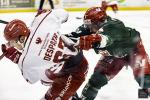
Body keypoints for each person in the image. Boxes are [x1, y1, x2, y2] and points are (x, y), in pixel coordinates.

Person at [1, 9, 101, 100]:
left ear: (21, 39)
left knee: (46, 79)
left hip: (72, 74)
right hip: (78, 61)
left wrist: (16, 57)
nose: (12, 45)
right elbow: (65, 14)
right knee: (47, 75)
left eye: (12, 42)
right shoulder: (42, 21)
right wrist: (47, 13)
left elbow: (31, 79)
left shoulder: (26, 60)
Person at [66, 5, 150, 100]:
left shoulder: (115, 25)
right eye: (86, 24)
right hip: (113, 55)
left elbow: (105, 39)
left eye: (90, 24)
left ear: (101, 22)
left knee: (145, 81)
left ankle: (145, 96)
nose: (87, 28)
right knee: (96, 80)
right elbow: (71, 37)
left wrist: (94, 40)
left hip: (134, 51)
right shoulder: (89, 28)